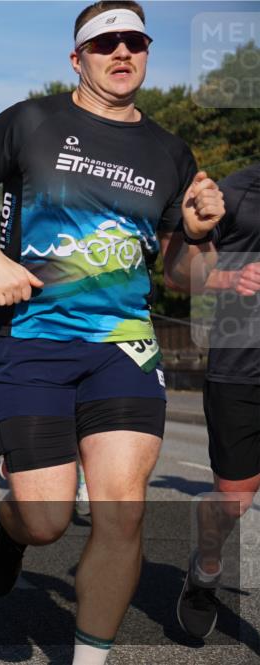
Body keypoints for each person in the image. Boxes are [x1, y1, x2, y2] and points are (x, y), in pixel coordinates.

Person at [0, 3, 225, 663]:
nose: (122, 53)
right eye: (105, 42)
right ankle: (11, 532)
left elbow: (182, 273)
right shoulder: (33, 121)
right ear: (77, 57)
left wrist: (201, 235)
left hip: (125, 346)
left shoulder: (170, 152)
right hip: (33, 340)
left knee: (123, 512)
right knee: (48, 519)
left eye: (134, 42)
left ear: (147, 51)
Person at [163, 163, 258, 639]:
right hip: (243, 372)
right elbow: (177, 268)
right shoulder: (236, 191)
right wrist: (229, 277)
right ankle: (205, 568)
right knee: (233, 502)